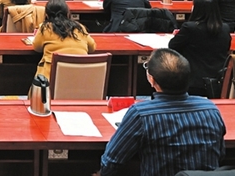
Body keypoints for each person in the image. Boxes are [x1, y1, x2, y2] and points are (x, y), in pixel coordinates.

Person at [96, 48, 225, 176]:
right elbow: (221, 155)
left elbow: (111, 162)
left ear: (151, 79)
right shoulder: (211, 110)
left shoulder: (141, 114)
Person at [168, 0, 231, 97]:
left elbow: (172, 46)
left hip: (193, 82)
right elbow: (227, 48)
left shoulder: (189, 28)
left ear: (197, 9)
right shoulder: (225, 28)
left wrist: (179, 36)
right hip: (218, 81)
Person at [32, 0, 96, 78]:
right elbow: (92, 48)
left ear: (47, 15)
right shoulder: (79, 27)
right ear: (68, 13)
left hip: (52, 78)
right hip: (81, 77)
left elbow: (37, 48)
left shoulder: (45, 28)